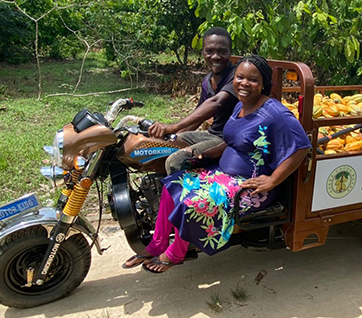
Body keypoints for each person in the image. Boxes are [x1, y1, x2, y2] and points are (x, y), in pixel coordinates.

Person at [123, 55, 311, 273]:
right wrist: (210, 154)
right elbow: (232, 141)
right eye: (240, 77)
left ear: (263, 84)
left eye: (253, 80)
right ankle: (158, 243)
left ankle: (177, 252)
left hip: (248, 186)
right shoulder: (239, 106)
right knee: (170, 186)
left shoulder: (275, 113)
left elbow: (301, 146)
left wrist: (273, 180)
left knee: (192, 202)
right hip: (221, 174)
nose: (244, 84)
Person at [148, 27, 239, 174]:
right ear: (203, 52)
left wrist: (172, 127)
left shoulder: (236, 77)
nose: (215, 56)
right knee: (162, 147)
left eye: (222, 51)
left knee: (175, 162)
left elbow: (217, 102)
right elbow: (197, 117)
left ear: (230, 52)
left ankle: (185, 196)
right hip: (211, 134)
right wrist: (173, 137)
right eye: (209, 51)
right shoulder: (207, 80)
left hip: (227, 140)